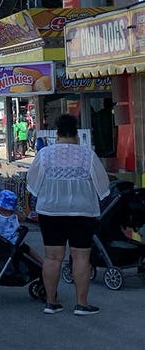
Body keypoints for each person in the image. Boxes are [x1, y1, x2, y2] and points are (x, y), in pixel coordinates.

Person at [27, 114, 110, 316]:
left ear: (57, 133)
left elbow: (32, 184)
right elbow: (103, 186)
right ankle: (82, 303)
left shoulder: (45, 154)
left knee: (52, 258)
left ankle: (51, 302)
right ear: (76, 133)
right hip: (82, 212)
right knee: (81, 257)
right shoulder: (87, 155)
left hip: (51, 212)